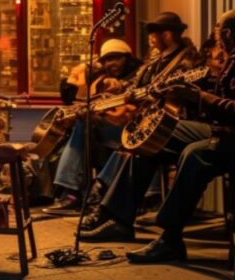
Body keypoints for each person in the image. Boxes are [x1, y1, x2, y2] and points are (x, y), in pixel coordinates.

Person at [96, 9, 235, 263]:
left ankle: (169, 237)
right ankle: (118, 219)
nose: (216, 42)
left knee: (195, 155)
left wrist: (198, 98)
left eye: (217, 35)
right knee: (155, 137)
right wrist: (186, 90)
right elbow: (229, 97)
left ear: (226, 33)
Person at [68, 12, 203, 238]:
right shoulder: (156, 60)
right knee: (117, 138)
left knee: (134, 144)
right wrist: (120, 90)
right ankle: (107, 211)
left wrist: (147, 98)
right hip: (149, 120)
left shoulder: (187, 61)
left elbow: (180, 94)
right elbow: (134, 85)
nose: (150, 39)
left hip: (170, 124)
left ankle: (103, 204)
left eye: (153, 34)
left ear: (167, 35)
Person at [40, 37, 142, 216]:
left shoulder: (138, 75)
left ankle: (72, 194)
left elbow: (129, 111)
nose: (112, 63)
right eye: (107, 60)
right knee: (80, 125)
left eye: (116, 58)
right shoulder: (102, 79)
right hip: (107, 129)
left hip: (133, 130)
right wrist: (83, 73)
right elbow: (72, 97)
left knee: (83, 126)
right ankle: (72, 192)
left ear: (127, 58)